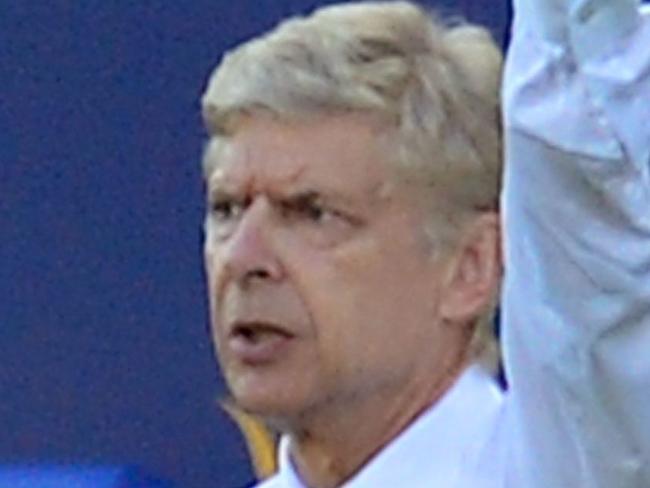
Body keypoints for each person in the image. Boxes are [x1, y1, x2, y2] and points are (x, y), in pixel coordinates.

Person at [200, 0, 650, 486]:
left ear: (471, 266)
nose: (244, 258)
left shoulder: (564, 470)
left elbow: (598, 204)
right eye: (227, 209)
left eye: (313, 214)